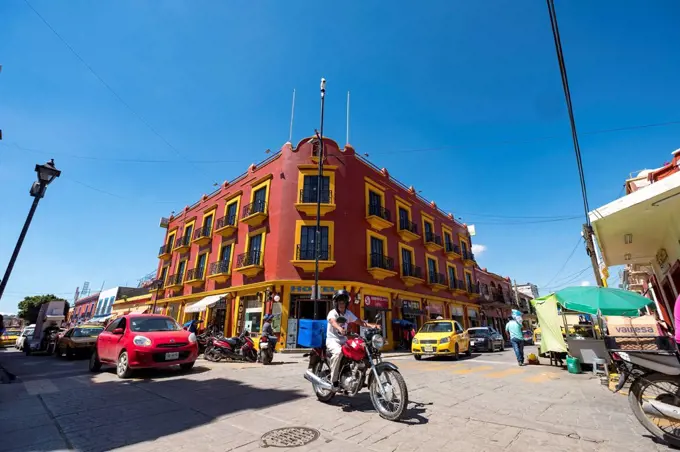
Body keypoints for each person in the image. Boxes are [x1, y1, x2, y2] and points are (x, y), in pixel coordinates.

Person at [327, 290, 370, 388]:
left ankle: (360, 377)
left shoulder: (348, 313)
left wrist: (373, 326)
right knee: (338, 352)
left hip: (344, 340)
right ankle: (333, 381)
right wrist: (339, 328)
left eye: (344, 301)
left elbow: (360, 322)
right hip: (332, 340)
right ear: (336, 303)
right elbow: (332, 321)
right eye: (340, 301)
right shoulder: (332, 313)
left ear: (346, 303)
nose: (342, 303)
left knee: (361, 350)